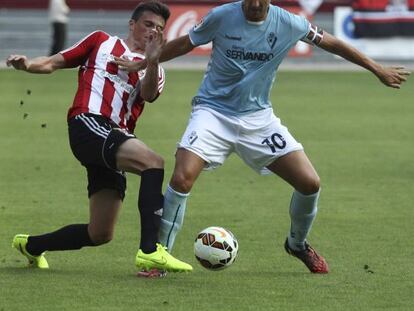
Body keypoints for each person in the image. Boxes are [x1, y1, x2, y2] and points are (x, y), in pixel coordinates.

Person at [114, 0, 410, 275]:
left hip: (258, 119)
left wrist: (377, 69)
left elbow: (332, 43)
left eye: (261, 0)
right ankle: (159, 258)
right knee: (181, 178)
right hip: (212, 113)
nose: (254, 5)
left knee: (310, 183)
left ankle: (297, 244)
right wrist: (144, 63)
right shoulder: (221, 16)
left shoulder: (290, 23)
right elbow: (185, 43)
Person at [6, 0, 192, 277]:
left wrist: (151, 60)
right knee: (153, 162)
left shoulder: (156, 68)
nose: (152, 31)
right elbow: (54, 62)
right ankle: (151, 252)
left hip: (114, 137)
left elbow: (149, 93)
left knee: (100, 232)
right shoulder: (101, 41)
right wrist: (28, 64)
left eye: (159, 28)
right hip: (87, 123)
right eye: (148, 24)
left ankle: (31, 245)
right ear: (132, 24)